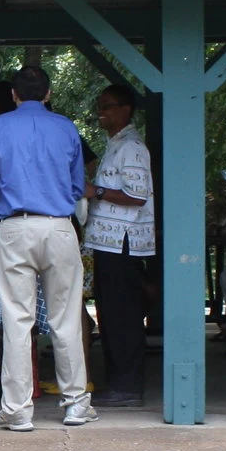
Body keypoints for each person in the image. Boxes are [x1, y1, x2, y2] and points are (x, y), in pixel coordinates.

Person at [0, 61, 91, 430]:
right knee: (66, 318)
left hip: (15, 228)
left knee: (18, 321)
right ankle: (75, 404)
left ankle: (18, 410)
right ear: (50, 94)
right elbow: (76, 187)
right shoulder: (67, 128)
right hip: (59, 228)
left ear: (14, 94)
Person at [85, 83, 153, 406]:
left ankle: (127, 386)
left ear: (125, 109)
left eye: (107, 106)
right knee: (109, 314)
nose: (101, 112)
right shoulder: (115, 144)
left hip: (123, 243)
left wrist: (95, 192)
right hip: (108, 243)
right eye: (100, 105)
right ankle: (117, 383)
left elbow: (137, 196)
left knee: (123, 315)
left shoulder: (132, 147)